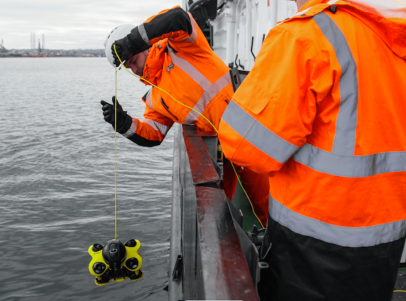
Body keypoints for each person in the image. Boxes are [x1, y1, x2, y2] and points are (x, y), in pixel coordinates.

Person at [217, 0, 406, 300]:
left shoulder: (306, 35)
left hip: (314, 245)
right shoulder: (392, 30)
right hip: (386, 242)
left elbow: (246, 147)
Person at [101, 6, 270, 225]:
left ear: (144, 45)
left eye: (133, 61)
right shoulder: (154, 97)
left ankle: (282, 246)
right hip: (220, 153)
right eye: (128, 66)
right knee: (220, 212)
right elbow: (154, 134)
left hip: (249, 132)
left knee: (269, 202)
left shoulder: (181, 45)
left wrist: (133, 40)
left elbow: (178, 18)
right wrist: (124, 124)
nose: (134, 70)